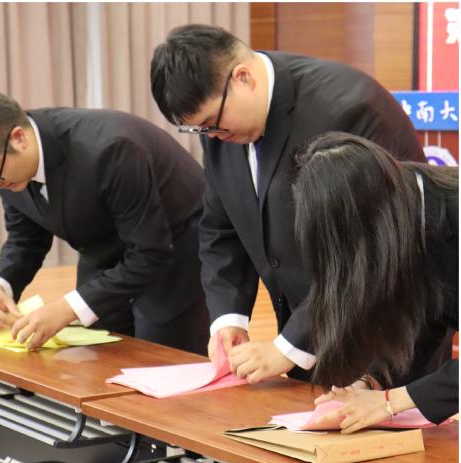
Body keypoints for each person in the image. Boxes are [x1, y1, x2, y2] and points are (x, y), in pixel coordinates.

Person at [149, 24, 426, 382]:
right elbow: (221, 228)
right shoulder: (221, 129)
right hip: (305, 341)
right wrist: (228, 318)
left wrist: (290, 345)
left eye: (212, 123)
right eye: (200, 130)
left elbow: (372, 251)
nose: (213, 136)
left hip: (383, 341)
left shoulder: (350, 108)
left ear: (243, 77)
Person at [0, 87, 210, 354]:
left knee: (160, 356)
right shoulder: (7, 170)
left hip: (176, 244)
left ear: (19, 138)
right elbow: (25, 239)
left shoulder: (109, 148)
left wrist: (66, 308)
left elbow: (151, 252)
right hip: (106, 248)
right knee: (100, 352)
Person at [291, 132, 458, 433]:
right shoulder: (409, 207)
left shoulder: (451, 212)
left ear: (373, 223)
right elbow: (425, 318)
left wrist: (391, 402)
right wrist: (369, 384)